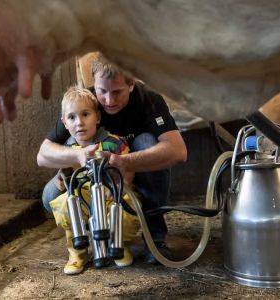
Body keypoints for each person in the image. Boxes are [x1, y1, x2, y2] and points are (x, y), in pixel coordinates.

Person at [37, 53, 187, 264]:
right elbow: (42, 155)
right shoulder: (85, 103)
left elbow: (178, 151)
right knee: (49, 196)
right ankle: (94, 238)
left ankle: (155, 238)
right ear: (94, 85)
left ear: (132, 84)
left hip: (129, 180)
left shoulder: (149, 100)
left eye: (117, 92)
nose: (108, 100)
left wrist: (125, 162)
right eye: (102, 91)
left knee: (146, 141)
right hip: (90, 182)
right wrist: (78, 155)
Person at [47, 85, 140, 275]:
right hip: (83, 195)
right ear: (64, 123)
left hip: (110, 194)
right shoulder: (67, 150)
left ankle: (119, 245)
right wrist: (60, 178)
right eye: (72, 117)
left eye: (85, 114)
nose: (79, 122)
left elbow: (128, 169)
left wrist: (121, 186)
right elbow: (62, 174)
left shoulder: (114, 142)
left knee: (128, 209)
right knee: (65, 205)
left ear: (97, 117)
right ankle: (78, 252)